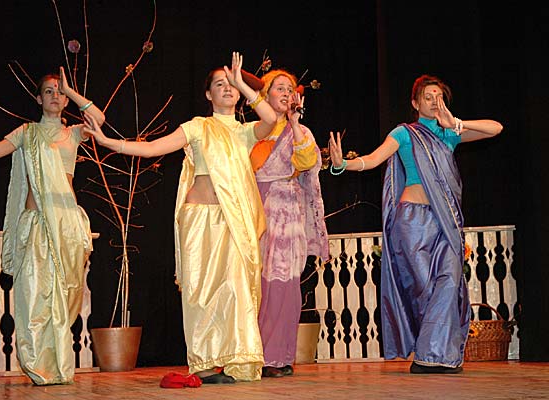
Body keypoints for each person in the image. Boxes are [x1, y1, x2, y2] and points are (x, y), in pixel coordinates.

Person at [83, 52, 277, 384]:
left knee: (236, 290)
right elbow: (153, 148)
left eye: (231, 84)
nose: (227, 88)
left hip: (234, 223)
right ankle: (204, 363)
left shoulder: (244, 132)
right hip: (200, 220)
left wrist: (244, 83)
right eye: (220, 84)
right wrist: (106, 142)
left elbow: (271, 118)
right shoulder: (198, 126)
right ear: (208, 95)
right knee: (201, 291)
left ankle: (237, 359)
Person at [328, 74, 503, 373]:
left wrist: (455, 123)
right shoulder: (404, 133)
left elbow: (495, 128)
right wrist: (342, 164)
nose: (434, 102)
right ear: (415, 103)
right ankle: (429, 354)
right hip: (412, 221)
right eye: (428, 97)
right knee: (424, 288)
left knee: (449, 282)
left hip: (445, 221)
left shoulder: (450, 134)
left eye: (439, 97)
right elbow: (372, 159)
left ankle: (435, 356)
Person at [0, 67, 105, 384]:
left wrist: (72, 91)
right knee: (34, 296)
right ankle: (39, 368)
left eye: (60, 92)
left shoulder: (74, 133)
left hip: (67, 227)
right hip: (36, 225)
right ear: (38, 99)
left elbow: (99, 119)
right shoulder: (26, 134)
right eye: (49, 91)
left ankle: (60, 366)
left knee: (65, 299)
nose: (55, 96)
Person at [248, 69, 328, 377]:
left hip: (287, 213)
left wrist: (294, 123)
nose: (285, 93)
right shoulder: (252, 131)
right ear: (264, 95)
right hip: (257, 208)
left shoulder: (300, 131)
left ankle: (277, 356)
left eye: (289, 89)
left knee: (285, 285)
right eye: (278, 88)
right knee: (257, 285)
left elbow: (307, 162)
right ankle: (252, 355)